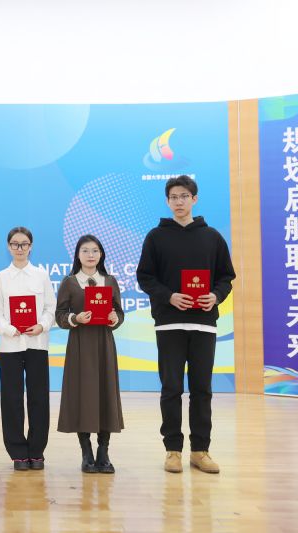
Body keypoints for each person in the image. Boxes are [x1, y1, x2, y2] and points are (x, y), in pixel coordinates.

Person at [137, 175, 235, 474]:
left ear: (194, 199)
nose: (179, 201)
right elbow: (145, 277)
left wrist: (215, 296)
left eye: (184, 196)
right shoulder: (156, 237)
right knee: (171, 388)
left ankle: (200, 451)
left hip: (204, 323)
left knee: (202, 389)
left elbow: (226, 277)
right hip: (169, 323)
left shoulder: (212, 237)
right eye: (173, 197)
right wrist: (169, 296)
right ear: (167, 201)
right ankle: (173, 450)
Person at [0, 227, 56, 471]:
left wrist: (42, 325)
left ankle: (36, 452)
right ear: (8, 247)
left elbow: (50, 307)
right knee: (12, 399)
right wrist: (8, 328)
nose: (20, 248)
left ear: (31, 246)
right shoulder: (1, 277)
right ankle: (17, 452)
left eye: (24, 244)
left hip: (37, 344)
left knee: (39, 398)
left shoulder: (41, 275)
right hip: (11, 346)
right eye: (15, 244)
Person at [55, 234, 124, 474]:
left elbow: (119, 313)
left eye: (95, 250)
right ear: (77, 255)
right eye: (85, 250)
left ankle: (103, 451)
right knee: (82, 395)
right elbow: (60, 316)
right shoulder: (69, 282)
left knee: (105, 393)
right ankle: (86, 453)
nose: (90, 255)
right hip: (80, 344)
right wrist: (75, 318)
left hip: (104, 343)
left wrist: (115, 318)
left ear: (101, 254)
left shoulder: (110, 281)